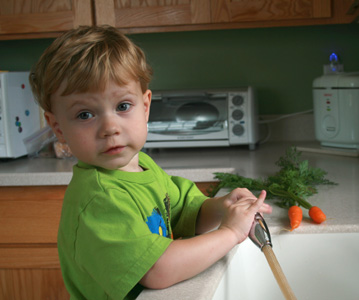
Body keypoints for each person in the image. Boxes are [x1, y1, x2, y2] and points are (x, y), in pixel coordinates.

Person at [29, 25, 272, 300]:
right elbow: (157, 270)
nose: (110, 127)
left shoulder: (141, 165)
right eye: (85, 114)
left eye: (122, 106)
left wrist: (222, 207)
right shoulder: (99, 199)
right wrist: (230, 232)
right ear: (58, 127)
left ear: (145, 107)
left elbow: (182, 212)